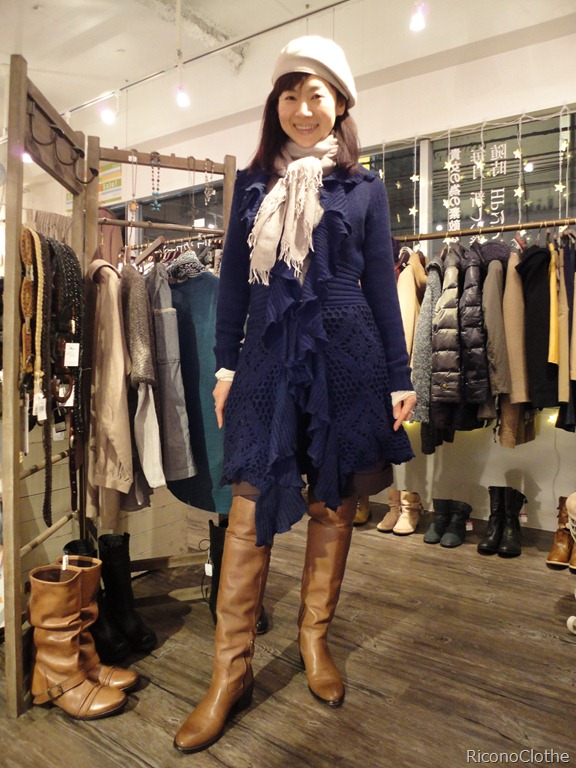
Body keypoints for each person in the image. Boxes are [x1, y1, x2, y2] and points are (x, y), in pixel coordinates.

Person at [174, 34, 416, 753]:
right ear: (274, 105)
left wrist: (400, 376)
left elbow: (381, 289)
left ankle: (314, 640)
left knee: (332, 506)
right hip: (268, 361)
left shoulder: (364, 188)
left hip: (348, 358)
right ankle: (230, 671)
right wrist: (224, 368)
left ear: (340, 104)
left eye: (317, 95)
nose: (303, 109)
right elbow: (234, 289)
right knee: (247, 509)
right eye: (290, 94)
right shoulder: (253, 186)